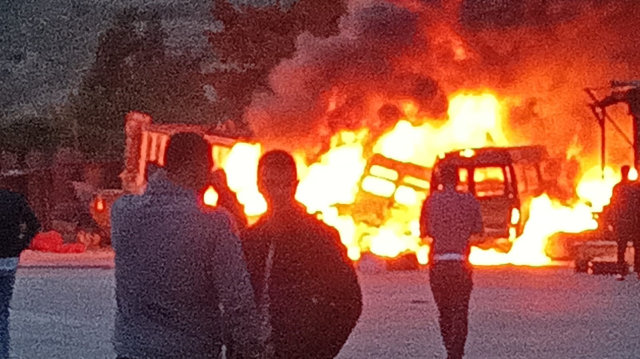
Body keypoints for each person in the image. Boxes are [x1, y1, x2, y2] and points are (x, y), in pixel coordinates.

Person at [111, 132, 262, 359]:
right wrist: (251, 348)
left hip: (134, 349)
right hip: (191, 350)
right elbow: (236, 299)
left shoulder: (123, 212)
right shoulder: (214, 223)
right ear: (196, 167)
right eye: (208, 167)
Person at [242, 150, 362, 359]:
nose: (278, 192)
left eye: (285, 184)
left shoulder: (320, 238)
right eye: (271, 183)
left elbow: (349, 301)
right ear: (259, 186)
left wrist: (319, 351)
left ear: (295, 185)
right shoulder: (249, 240)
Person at [420, 163, 484, 359]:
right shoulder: (469, 200)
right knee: (461, 310)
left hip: (439, 263)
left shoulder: (430, 202)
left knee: (444, 311)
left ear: (440, 179)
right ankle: (457, 353)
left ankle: (449, 349)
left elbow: (424, 233)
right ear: (458, 179)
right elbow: (479, 232)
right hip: (460, 263)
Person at [0, 188, 40, 359]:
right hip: (9, 259)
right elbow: (34, 224)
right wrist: (20, 245)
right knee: (2, 311)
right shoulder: (14, 199)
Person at [609, 165, 639, 280]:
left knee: (621, 248)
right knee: (637, 247)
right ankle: (638, 271)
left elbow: (614, 205)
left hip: (622, 221)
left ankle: (620, 271)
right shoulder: (636, 187)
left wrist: (612, 221)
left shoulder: (618, 187)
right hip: (634, 221)